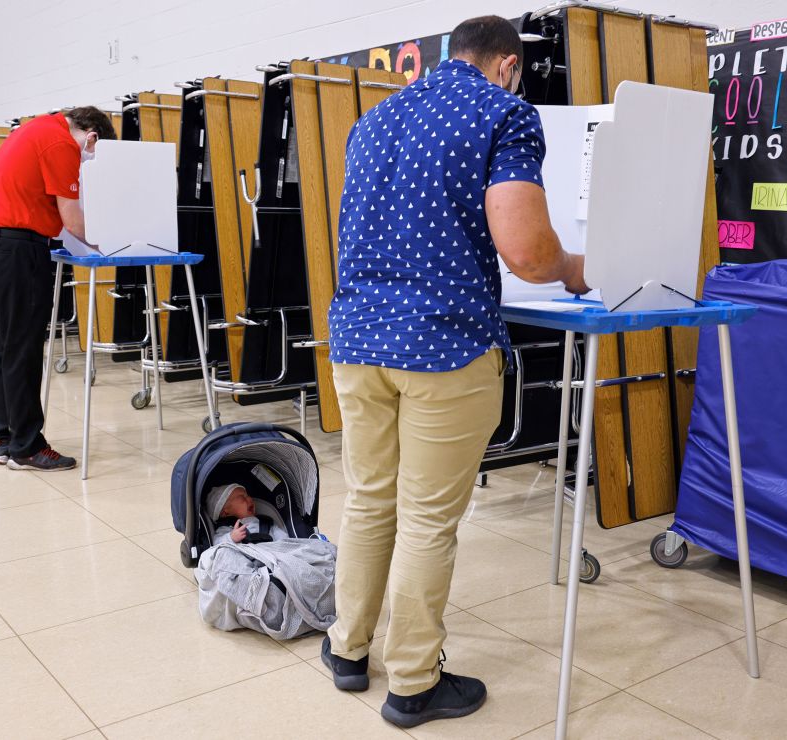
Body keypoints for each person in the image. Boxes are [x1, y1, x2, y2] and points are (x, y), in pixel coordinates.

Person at [319, 15, 589, 729]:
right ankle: (412, 683)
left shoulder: (374, 119)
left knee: (370, 499)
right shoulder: (504, 110)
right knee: (429, 519)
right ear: (506, 63)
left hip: (356, 338)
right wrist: (573, 268)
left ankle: (347, 650)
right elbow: (527, 251)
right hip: (444, 344)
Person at [0, 107, 116, 471]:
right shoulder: (61, 142)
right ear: (91, 136)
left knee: (3, 347)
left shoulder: (33, 130)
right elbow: (73, 219)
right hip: (17, 250)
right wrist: (112, 242)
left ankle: (8, 438)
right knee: (24, 348)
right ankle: (28, 447)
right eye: (92, 154)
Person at [206, 484, 291, 544]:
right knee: (222, 553)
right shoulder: (227, 528)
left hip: (270, 553)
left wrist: (286, 544)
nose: (250, 499)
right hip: (245, 558)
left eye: (248, 496)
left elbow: (282, 537)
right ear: (225, 512)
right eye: (242, 497)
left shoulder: (265, 522)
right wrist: (231, 538)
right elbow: (217, 542)